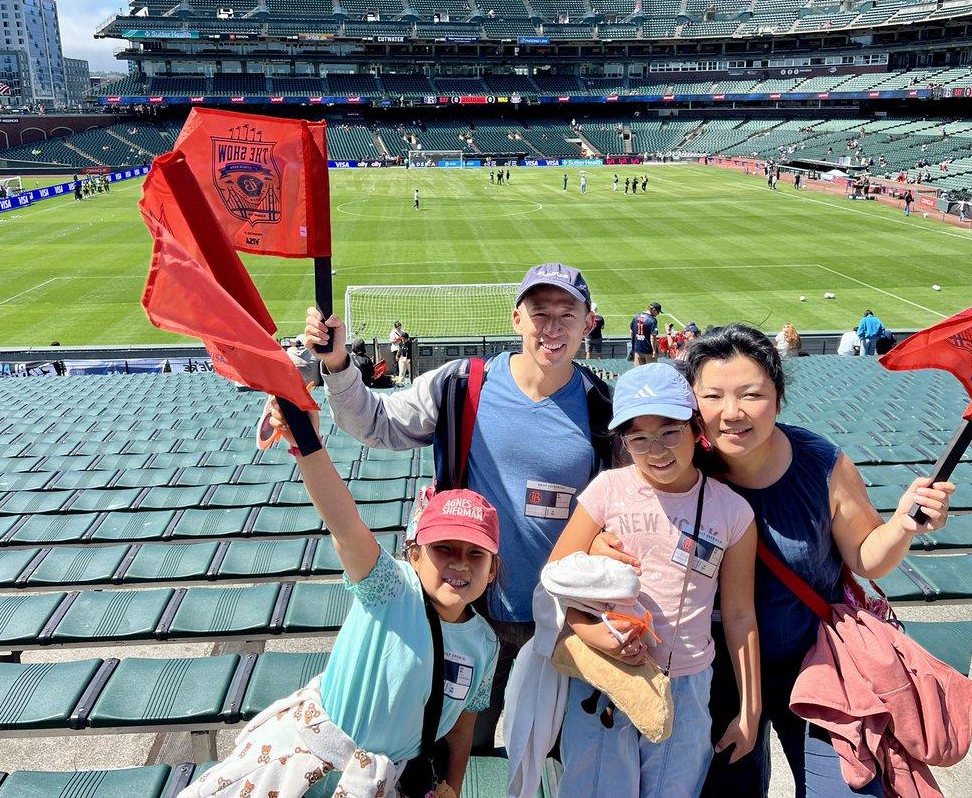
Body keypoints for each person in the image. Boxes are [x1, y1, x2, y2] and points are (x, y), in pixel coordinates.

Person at [293, 263, 614, 753]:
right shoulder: (465, 382)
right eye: (539, 313)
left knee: (556, 751)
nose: (552, 327)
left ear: (588, 323)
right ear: (516, 319)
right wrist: (337, 366)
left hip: (560, 617)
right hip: (467, 612)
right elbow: (376, 422)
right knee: (460, 742)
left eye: (566, 314)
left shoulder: (602, 407)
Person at [673, 325, 953, 798]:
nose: (732, 412)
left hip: (815, 665)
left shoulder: (821, 464)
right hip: (714, 676)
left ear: (778, 398)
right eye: (713, 396)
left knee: (847, 789)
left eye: (751, 394)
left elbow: (866, 557)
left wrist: (904, 524)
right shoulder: (678, 467)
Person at [180, 402, 500, 798]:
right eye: (444, 548)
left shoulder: (485, 643)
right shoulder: (391, 587)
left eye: (475, 554)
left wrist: (453, 784)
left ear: (492, 570)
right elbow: (344, 524)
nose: (460, 564)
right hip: (305, 764)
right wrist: (308, 446)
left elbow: (462, 727)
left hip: (381, 781)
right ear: (414, 555)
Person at [549, 364, 760, 798]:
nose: (656, 450)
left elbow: (740, 613)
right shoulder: (606, 490)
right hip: (604, 677)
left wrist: (750, 711)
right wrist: (594, 633)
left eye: (669, 431)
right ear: (623, 441)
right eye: (638, 437)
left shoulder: (733, 512)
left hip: (686, 682)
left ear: (695, 428)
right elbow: (557, 576)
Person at [630, 302, 661, 366]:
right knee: (651, 372)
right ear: (653, 310)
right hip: (648, 351)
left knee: (638, 372)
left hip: (638, 349)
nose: (658, 314)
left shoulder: (636, 316)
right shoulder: (652, 320)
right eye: (658, 312)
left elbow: (631, 331)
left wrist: (634, 342)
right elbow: (653, 337)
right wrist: (654, 351)